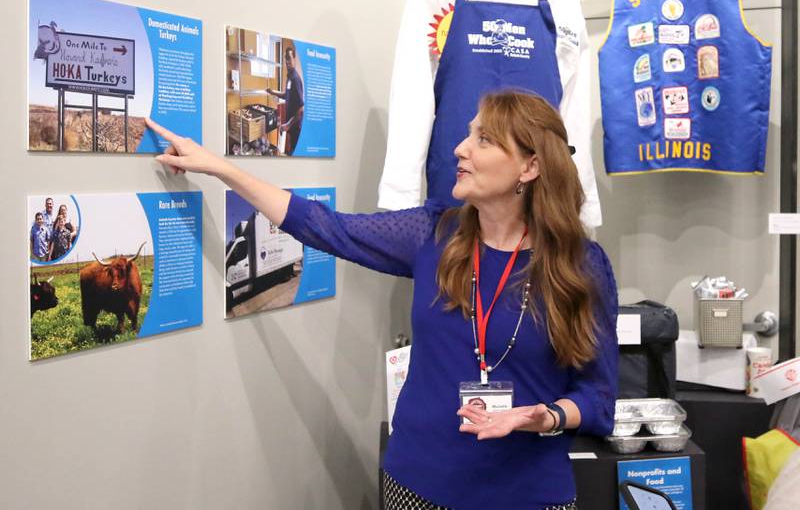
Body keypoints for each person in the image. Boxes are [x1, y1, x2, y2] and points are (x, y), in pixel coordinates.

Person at [147, 90, 618, 510]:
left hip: (528, 496)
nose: (460, 148)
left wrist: (545, 416)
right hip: (417, 485)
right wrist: (219, 167)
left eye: (483, 140)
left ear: (530, 166)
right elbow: (324, 226)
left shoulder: (581, 265)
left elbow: (598, 398)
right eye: (468, 134)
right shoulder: (434, 233)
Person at [267, 46, 304, 156]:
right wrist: (273, 92)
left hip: (296, 127)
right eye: (285, 59)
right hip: (291, 126)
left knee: (295, 152)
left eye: (289, 58)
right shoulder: (289, 77)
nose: (287, 62)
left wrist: (288, 124)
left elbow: (301, 109)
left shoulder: (295, 79)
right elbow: (286, 95)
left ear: (294, 59)